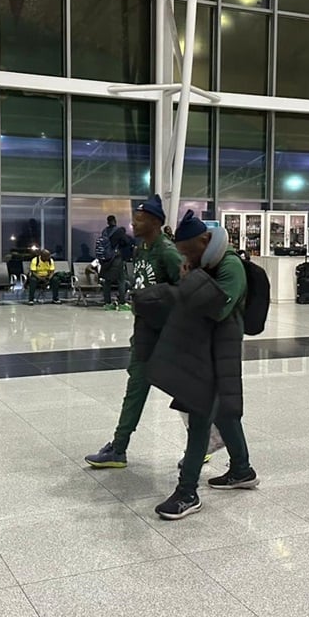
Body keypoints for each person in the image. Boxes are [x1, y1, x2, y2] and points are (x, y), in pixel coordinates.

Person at [151, 210, 258, 520]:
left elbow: (218, 309)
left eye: (188, 249)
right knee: (222, 413)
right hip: (204, 349)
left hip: (219, 351)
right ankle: (242, 469)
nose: (185, 255)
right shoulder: (205, 263)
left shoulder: (230, 265)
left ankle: (187, 492)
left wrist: (190, 279)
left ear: (205, 240)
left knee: (200, 417)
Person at [85, 195, 185, 468]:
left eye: (139, 218)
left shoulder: (167, 251)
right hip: (145, 333)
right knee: (137, 388)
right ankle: (119, 448)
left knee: (187, 391)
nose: (133, 222)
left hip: (165, 336)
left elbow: (187, 290)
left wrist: (157, 300)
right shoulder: (143, 248)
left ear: (154, 221)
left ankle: (206, 440)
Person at [99, 215, 131, 311]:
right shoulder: (119, 231)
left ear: (108, 222)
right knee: (121, 280)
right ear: (115, 221)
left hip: (106, 260)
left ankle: (107, 303)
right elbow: (126, 242)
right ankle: (122, 303)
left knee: (107, 282)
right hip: (116, 259)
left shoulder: (104, 232)